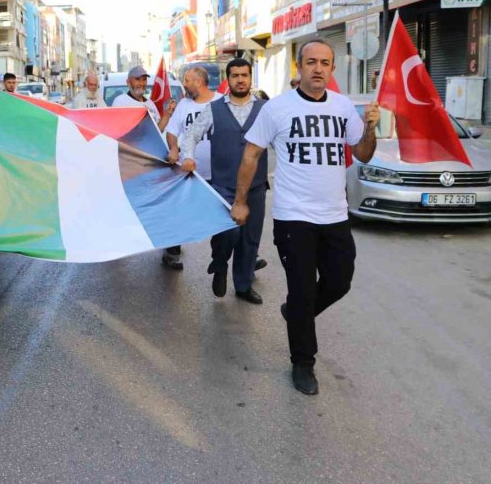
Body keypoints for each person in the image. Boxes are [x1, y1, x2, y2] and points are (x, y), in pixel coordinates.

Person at [230, 40, 380, 395]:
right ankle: (303, 363)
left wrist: (371, 128)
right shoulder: (277, 109)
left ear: (332, 68)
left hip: (334, 216)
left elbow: (363, 154)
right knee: (300, 289)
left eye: (325, 63)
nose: (318, 69)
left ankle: (296, 312)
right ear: (298, 67)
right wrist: (241, 202)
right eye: (311, 62)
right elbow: (252, 156)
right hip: (293, 216)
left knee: (339, 281)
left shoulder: (344, 107)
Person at [179, 59, 267, 304]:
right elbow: (191, 136)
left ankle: (243, 285)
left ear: (250, 78)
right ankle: (219, 265)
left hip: (256, 187)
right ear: (228, 79)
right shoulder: (213, 109)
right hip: (223, 186)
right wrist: (188, 157)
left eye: (245, 75)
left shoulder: (265, 109)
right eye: (235, 75)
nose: (240, 79)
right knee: (227, 233)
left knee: (250, 239)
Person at [162, 66, 225, 271]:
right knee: (179, 213)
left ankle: (223, 261)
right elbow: (172, 131)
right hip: (187, 172)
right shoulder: (184, 105)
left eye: (187, 80)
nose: (185, 85)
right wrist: (173, 148)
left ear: (198, 82)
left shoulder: (222, 102)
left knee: (222, 217)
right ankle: (172, 252)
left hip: (218, 173)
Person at [111, 66, 175, 131]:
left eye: (144, 79)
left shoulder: (150, 104)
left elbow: (157, 131)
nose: (141, 83)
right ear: (128, 82)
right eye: (137, 79)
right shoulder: (120, 102)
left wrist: (167, 114)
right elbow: (115, 131)